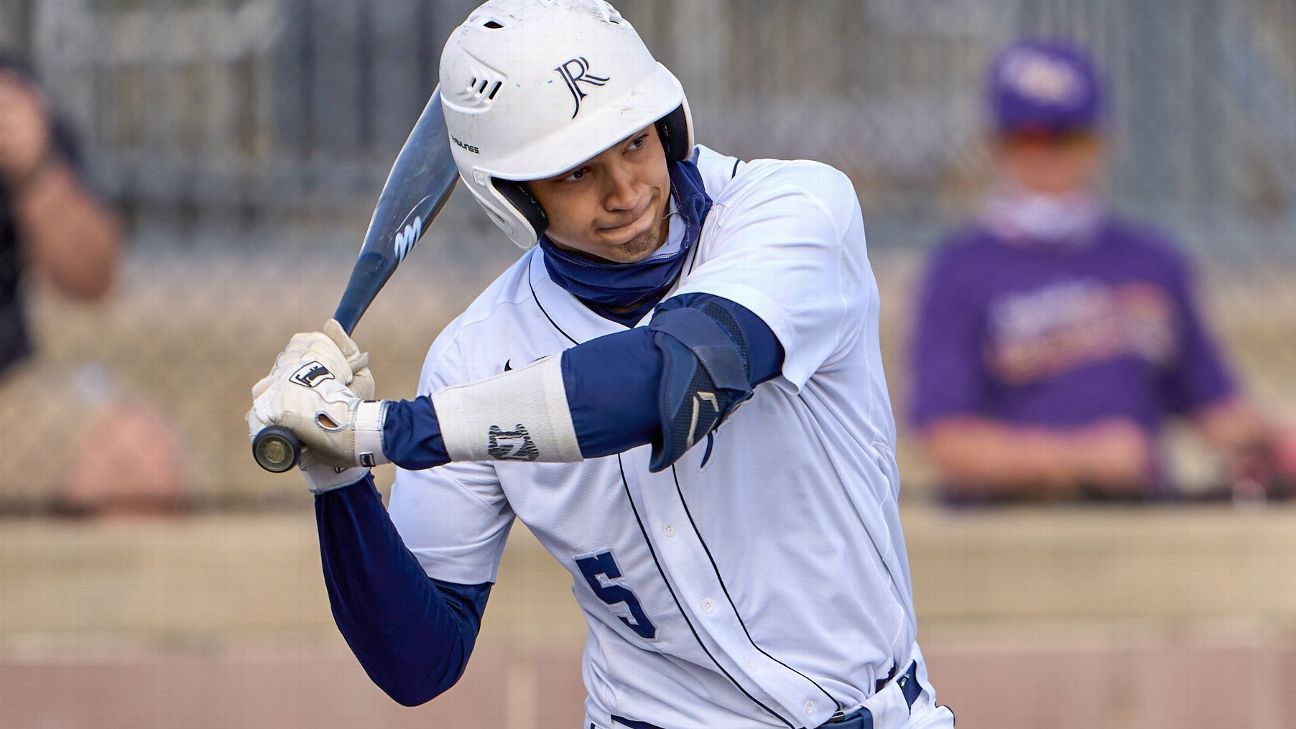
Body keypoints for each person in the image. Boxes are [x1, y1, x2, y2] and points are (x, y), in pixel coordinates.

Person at [246, 1, 954, 726]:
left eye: (635, 142)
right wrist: (335, 470)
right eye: (578, 172)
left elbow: (674, 378)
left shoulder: (793, 211)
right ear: (516, 196)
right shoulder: (476, 355)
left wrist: (377, 428)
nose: (626, 191)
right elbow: (417, 660)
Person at [908, 40, 1289, 504]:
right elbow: (946, 440)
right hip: (1008, 528)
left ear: (1102, 140)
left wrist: (1272, 440)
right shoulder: (960, 269)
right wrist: (1080, 458)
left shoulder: (1150, 260)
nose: (1049, 157)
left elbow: (1212, 407)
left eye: (1068, 137)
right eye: (1029, 138)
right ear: (994, 145)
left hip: (1135, 518)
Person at [0, 53, 185, 514]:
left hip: (8, 394)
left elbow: (92, 278)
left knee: (139, 459)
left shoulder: (11, 89)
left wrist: (34, 166)